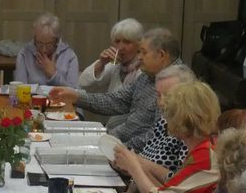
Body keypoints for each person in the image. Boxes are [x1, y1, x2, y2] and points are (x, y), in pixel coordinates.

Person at [114, 80, 220, 193]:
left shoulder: (205, 157)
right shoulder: (202, 149)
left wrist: (134, 167)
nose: (165, 118)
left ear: (184, 118)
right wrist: (137, 163)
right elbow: (170, 186)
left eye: (169, 113)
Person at [51, 28, 182, 151]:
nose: (140, 57)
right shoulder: (149, 75)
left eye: (144, 52)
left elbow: (158, 137)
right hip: (118, 141)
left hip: (135, 154)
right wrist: (77, 97)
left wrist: (118, 149)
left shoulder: (177, 85)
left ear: (161, 55)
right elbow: (117, 101)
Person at [117, 62, 196, 193]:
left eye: (168, 96)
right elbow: (145, 160)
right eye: (159, 95)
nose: (161, 102)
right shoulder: (164, 122)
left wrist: (135, 165)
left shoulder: (189, 136)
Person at [77, 18, 144, 113]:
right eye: (117, 41)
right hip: (113, 119)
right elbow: (84, 85)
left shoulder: (145, 68)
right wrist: (101, 63)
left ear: (139, 45)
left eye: (127, 42)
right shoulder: (114, 64)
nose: (120, 47)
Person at [13, 12, 79, 87]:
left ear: (56, 41)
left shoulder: (69, 56)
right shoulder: (24, 54)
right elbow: (20, 87)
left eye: (49, 44)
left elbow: (74, 90)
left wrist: (53, 75)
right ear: (34, 39)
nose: (44, 49)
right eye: (39, 44)